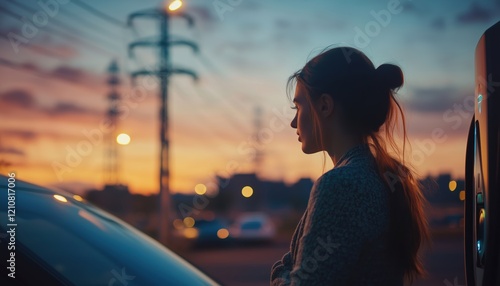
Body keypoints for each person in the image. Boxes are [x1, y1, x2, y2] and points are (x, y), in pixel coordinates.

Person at [270, 46, 430, 286]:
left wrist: (280, 273)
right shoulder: (378, 174)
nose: (294, 122)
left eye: (299, 107)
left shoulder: (342, 185)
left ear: (324, 106)